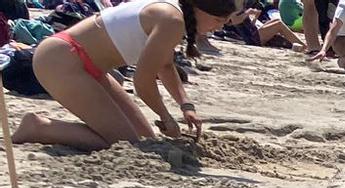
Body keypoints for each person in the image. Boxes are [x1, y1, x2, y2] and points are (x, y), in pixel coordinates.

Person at [11, 0, 238, 150]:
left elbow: (165, 66)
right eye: (218, 20)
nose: (217, 27)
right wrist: (166, 117)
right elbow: (142, 81)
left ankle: (46, 128)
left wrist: (186, 106)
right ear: (200, 9)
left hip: (87, 65)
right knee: (124, 143)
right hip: (63, 60)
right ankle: (39, 127)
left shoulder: (172, 13)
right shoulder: (172, 20)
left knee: (145, 140)